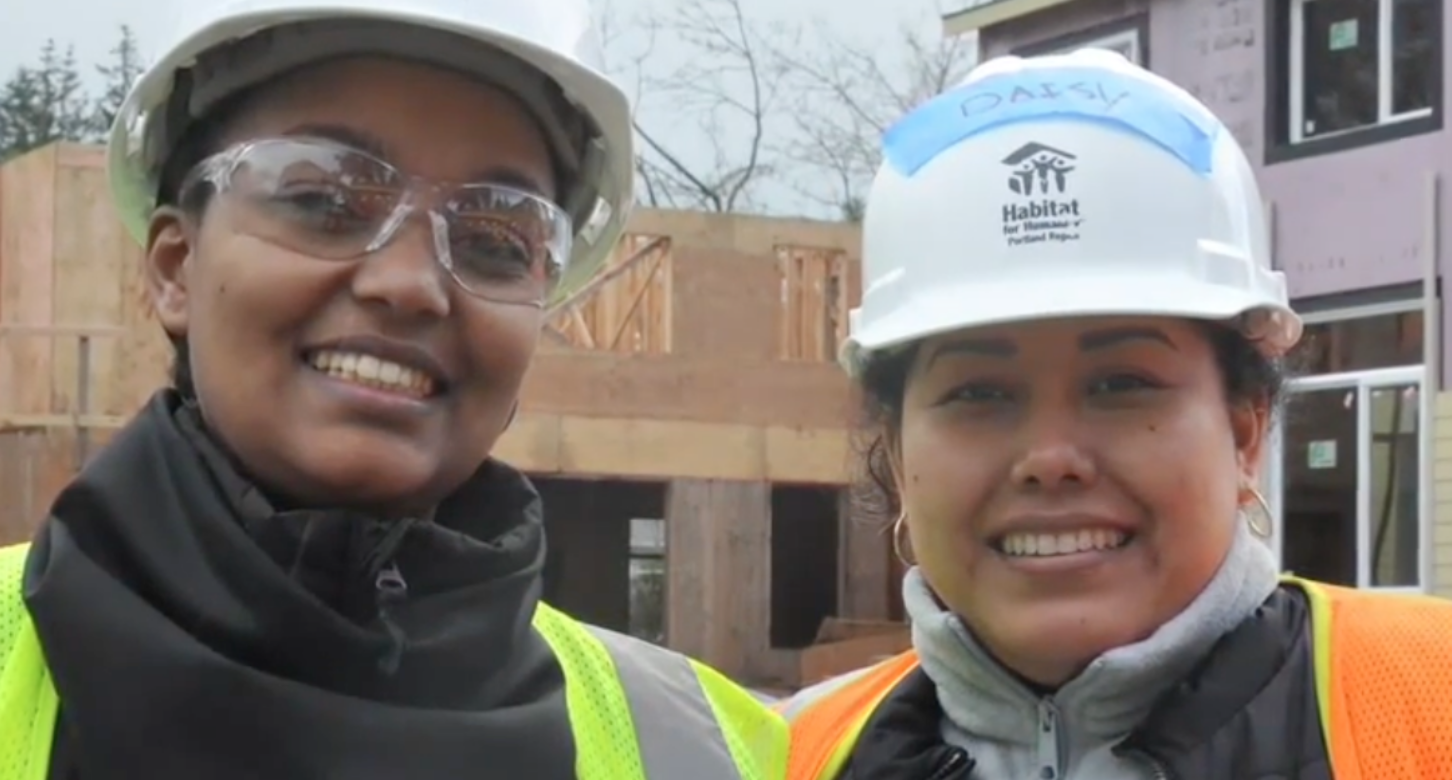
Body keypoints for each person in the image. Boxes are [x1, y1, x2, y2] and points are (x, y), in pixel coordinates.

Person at [0, 1, 788, 777]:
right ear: (176, 268)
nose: (410, 285)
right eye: (323, 200)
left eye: (493, 238)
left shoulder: (694, 749)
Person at [778, 49, 1452, 780]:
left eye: (1122, 382)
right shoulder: (785, 758)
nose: (1049, 456)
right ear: (896, 450)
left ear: (1245, 430)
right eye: (978, 393)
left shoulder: (1429, 707)